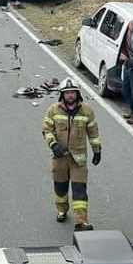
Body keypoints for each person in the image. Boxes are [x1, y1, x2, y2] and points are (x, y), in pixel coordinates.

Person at [42, 78, 101, 231]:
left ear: (77, 94)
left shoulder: (87, 111)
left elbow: (93, 132)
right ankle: (62, 210)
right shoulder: (53, 110)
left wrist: (97, 151)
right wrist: (53, 145)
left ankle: (81, 221)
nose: (70, 95)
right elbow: (46, 130)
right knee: (60, 188)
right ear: (62, 95)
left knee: (79, 191)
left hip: (78, 161)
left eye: (72, 93)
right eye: (67, 93)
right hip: (59, 158)